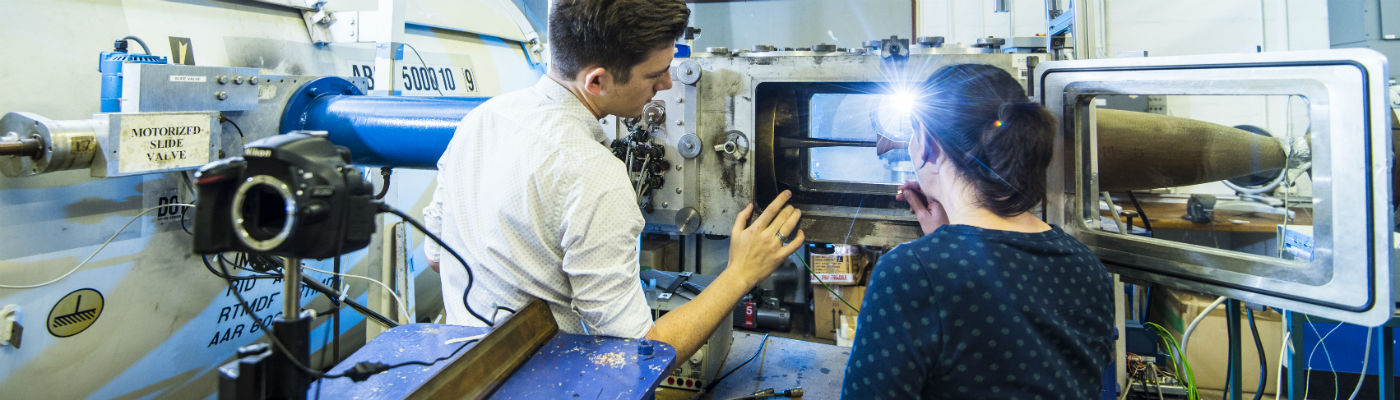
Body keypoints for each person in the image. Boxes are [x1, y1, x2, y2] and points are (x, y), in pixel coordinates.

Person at [421, 0, 804, 361]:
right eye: (655, 75)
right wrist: (740, 273)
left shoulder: (481, 120)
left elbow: (436, 258)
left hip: (462, 368)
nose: (668, 85)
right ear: (597, 81)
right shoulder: (593, 174)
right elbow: (639, 354)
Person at [841, 64, 1115, 399]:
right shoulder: (1088, 268)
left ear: (927, 143)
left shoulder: (910, 274)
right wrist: (944, 241)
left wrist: (935, 256)